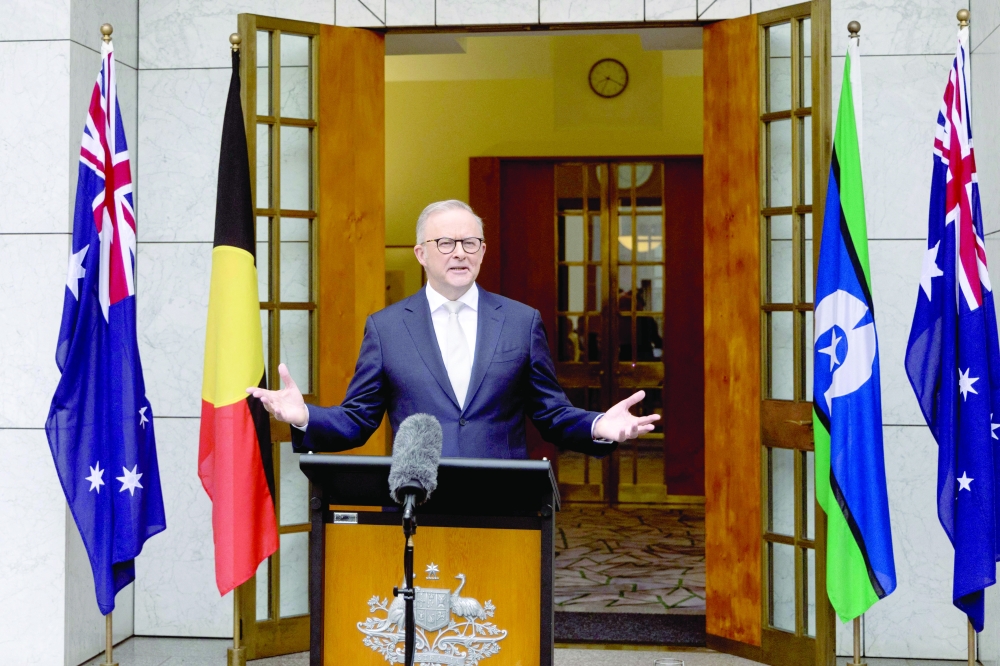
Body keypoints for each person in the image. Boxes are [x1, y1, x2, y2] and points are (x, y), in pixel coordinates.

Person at [249, 200, 659, 458]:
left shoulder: (521, 321)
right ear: (421, 254)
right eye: (445, 243)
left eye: (470, 242)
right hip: (420, 503)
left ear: (483, 250)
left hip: (504, 503)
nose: (459, 253)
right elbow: (358, 420)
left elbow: (550, 414)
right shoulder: (387, 328)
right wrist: (304, 417)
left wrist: (597, 426)